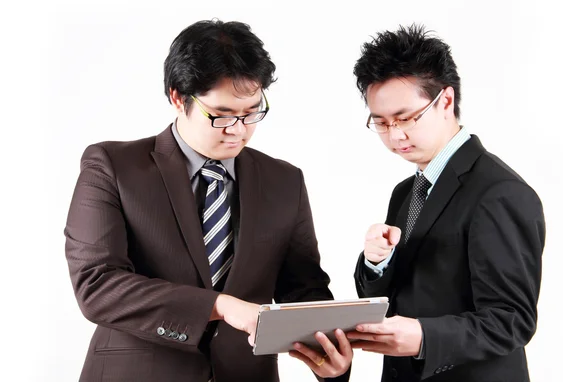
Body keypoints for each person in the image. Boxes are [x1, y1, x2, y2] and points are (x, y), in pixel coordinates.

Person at [64, 19, 352, 382]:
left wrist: (334, 362)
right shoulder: (112, 167)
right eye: (220, 115)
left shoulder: (285, 181)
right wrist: (219, 306)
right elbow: (97, 284)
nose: (237, 130)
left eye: (251, 113)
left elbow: (304, 288)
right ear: (177, 97)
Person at [347, 24, 545, 382]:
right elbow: (394, 297)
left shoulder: (499, 192)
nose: (396, 135)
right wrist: (377, 262)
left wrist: (424, 337)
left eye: (406, 118)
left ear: (446, 100)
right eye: (381, 122)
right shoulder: (406, 190)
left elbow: (512, 320)